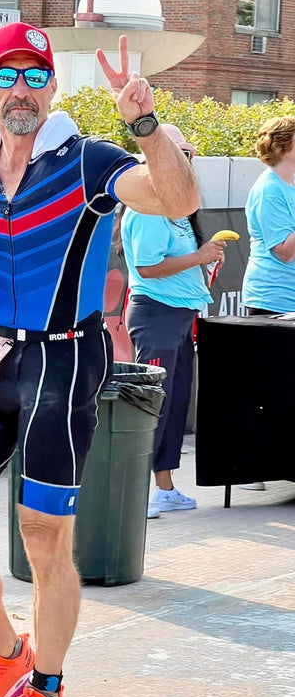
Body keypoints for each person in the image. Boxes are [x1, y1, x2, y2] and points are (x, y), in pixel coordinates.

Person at [0, 21, 199, 697]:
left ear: (52, 88)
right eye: (7, 75)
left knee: (44, 537)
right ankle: (6, 657)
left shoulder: (89, 160)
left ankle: (47, 696)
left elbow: (175, 199)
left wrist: (146, 126)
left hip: (67, 361)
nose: (22, 90)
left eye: (35, 75)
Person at [117, 124, 226, 518]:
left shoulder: (173, 206)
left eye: (187, 155)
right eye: (180, 155)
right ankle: (136, 494)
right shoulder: (149, 208)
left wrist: (203, 260)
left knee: (173, 403)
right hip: (157, 314)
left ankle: (163, 489)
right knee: (154, 407)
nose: (186, 162)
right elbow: (147, 268)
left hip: (175, 315)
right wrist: (200, 256)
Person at [239, 116, 295, 492]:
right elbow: (284, 250)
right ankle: (251, 469)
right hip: (272, 299)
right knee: (268, 387)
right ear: (286, 145)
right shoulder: (268, 189)